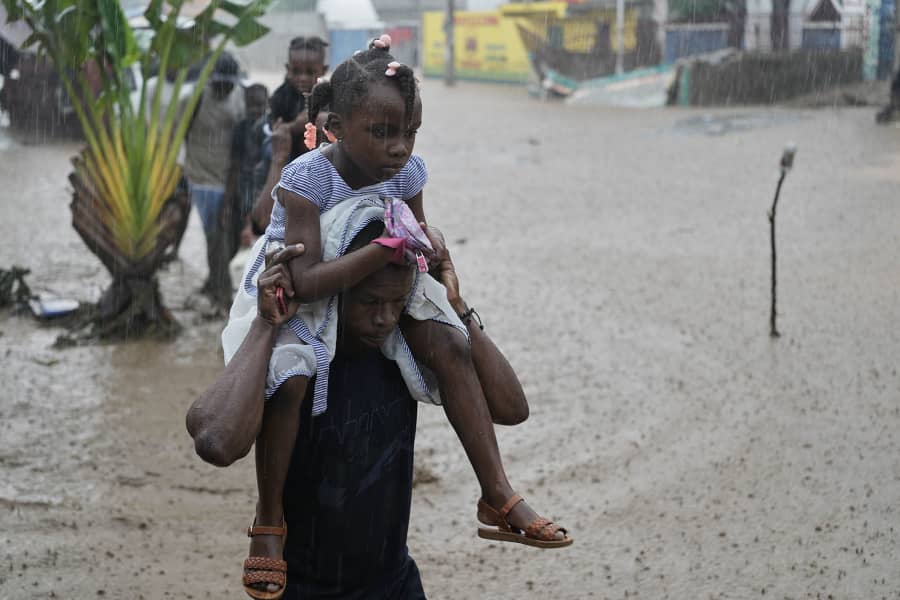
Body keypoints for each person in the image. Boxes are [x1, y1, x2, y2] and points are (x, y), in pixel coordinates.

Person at [223, 38, 571, 597]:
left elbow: (416, 244)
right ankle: (268, 523)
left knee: (451, 347)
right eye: (382, 133)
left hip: (379, 277)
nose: (398, 148)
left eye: (409, 132)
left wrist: (438, 279)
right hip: (298, 289)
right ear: (336, 125)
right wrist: (383, 252)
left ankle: (497, 492)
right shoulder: (307, 178)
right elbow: (307, 279)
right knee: (288, 381)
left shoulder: (408, 174)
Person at [188, 223, 534, 598]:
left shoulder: (404, 351)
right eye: (370, 302)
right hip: (301, 587)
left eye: (397, 302)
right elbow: (216, 442)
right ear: (336, 292)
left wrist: (453, 306)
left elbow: (511, 408)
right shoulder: (297, 366)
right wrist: (265, 324)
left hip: (393, 582)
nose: (384, 318)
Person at [250, 36, 330, 236]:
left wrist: (295, 125)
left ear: (324, 70)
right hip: (287, 154)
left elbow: (321, 120)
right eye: (296, 71)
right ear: (287, 69)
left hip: (316, 155)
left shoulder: (329, 95)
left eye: (310, 72)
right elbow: (277, 128)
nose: (302, 78)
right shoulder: (281, 96)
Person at [183, 51, 246, 305]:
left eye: (229, 83)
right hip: (201, 178)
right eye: (220, 82)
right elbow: (179, 134)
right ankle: (223, 295)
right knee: (216, 235)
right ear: (210, 79)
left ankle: (214, 281)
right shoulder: (194, 98)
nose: (225, 87)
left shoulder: (239, 96)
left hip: (231, 177)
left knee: (229, 237)